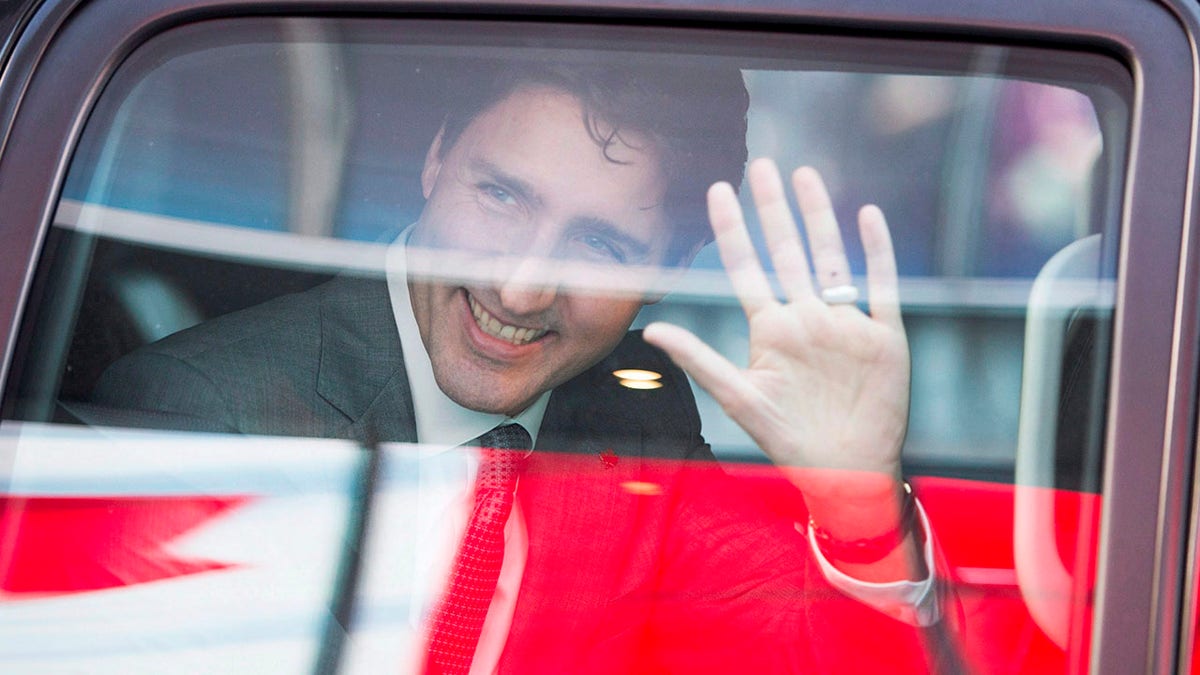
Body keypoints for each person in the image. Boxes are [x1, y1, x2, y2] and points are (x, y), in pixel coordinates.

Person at [88, 59, 952, 673]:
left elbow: (781, 652)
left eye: (598, 243)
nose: (522, 285)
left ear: (661, 276)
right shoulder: (205, 413)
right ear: (435, 159)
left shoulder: (636, 411)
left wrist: (855, 513)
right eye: (501, 195)